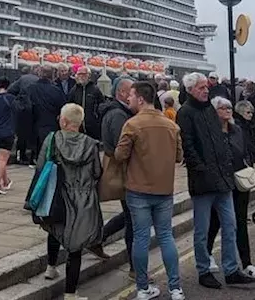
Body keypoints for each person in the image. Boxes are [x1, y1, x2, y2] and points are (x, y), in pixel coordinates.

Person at [177, 73, 254, 289]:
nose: (206, 90)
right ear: (191, 89)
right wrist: (202, 168)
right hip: (202, 181)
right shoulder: (185, 112)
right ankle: (204, 270)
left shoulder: (210, 109)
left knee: (230, 226)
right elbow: (188, 145)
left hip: (223, 178)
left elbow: (220, 138)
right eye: (201, 87)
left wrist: (227, 162)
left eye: (206, 87)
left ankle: (231, 270)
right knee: (202, 230)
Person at [115, 81, 185, 300]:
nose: (129, 99)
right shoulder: (171, 125)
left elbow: (119, 155)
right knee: (166, 237)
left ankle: (143, 288)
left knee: (141, 239)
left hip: (138, 189)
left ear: (141, 99)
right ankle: (175, 288)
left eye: (132, 96)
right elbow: (179, 157)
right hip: (164, 190)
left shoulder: (132, 124)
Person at [34, 103, 103, 300]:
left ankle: (51, 267)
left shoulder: (52, 139)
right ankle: (70, 294)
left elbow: (40, 166)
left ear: (63, 121)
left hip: (58, 194)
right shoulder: (91, 143)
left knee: (54, 228)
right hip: (83, 197)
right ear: (80, 123)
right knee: (75, 246)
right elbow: (98, 172)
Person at [208, 97, 255, 282]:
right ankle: (207, 255)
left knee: (240, 222)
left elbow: (247, 146)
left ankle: (247, 264)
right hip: (221, 183)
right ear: (214, 111)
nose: (227, 110)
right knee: (216, 221)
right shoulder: (211, 131)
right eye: (222, 107)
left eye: (229, 107)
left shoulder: (237, 130)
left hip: (240, 181)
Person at [97, 77, 136, 268]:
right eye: (132, 91)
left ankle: (99, 238)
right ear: (121, 93)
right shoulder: (119, 115)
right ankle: (134, 267)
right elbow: (124, 147)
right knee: (133, 218)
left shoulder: (120, 112)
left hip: (123, 169)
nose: (135, 95)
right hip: (124, 170)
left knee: (131, 213)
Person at [0, 77, 18, 194]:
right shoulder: (11, 99)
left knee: (0, 160)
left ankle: (6, 181)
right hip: (7, 132)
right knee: (3, 159)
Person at [67, 65, 105, 140]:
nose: (81, 76)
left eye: (83, 74)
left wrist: (97, 119)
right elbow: (69, 105)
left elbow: (102, 104)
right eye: (79, 74)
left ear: (88, 75)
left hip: (92, 127)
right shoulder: (74, 90)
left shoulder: (95, 89)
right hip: (78, 126)